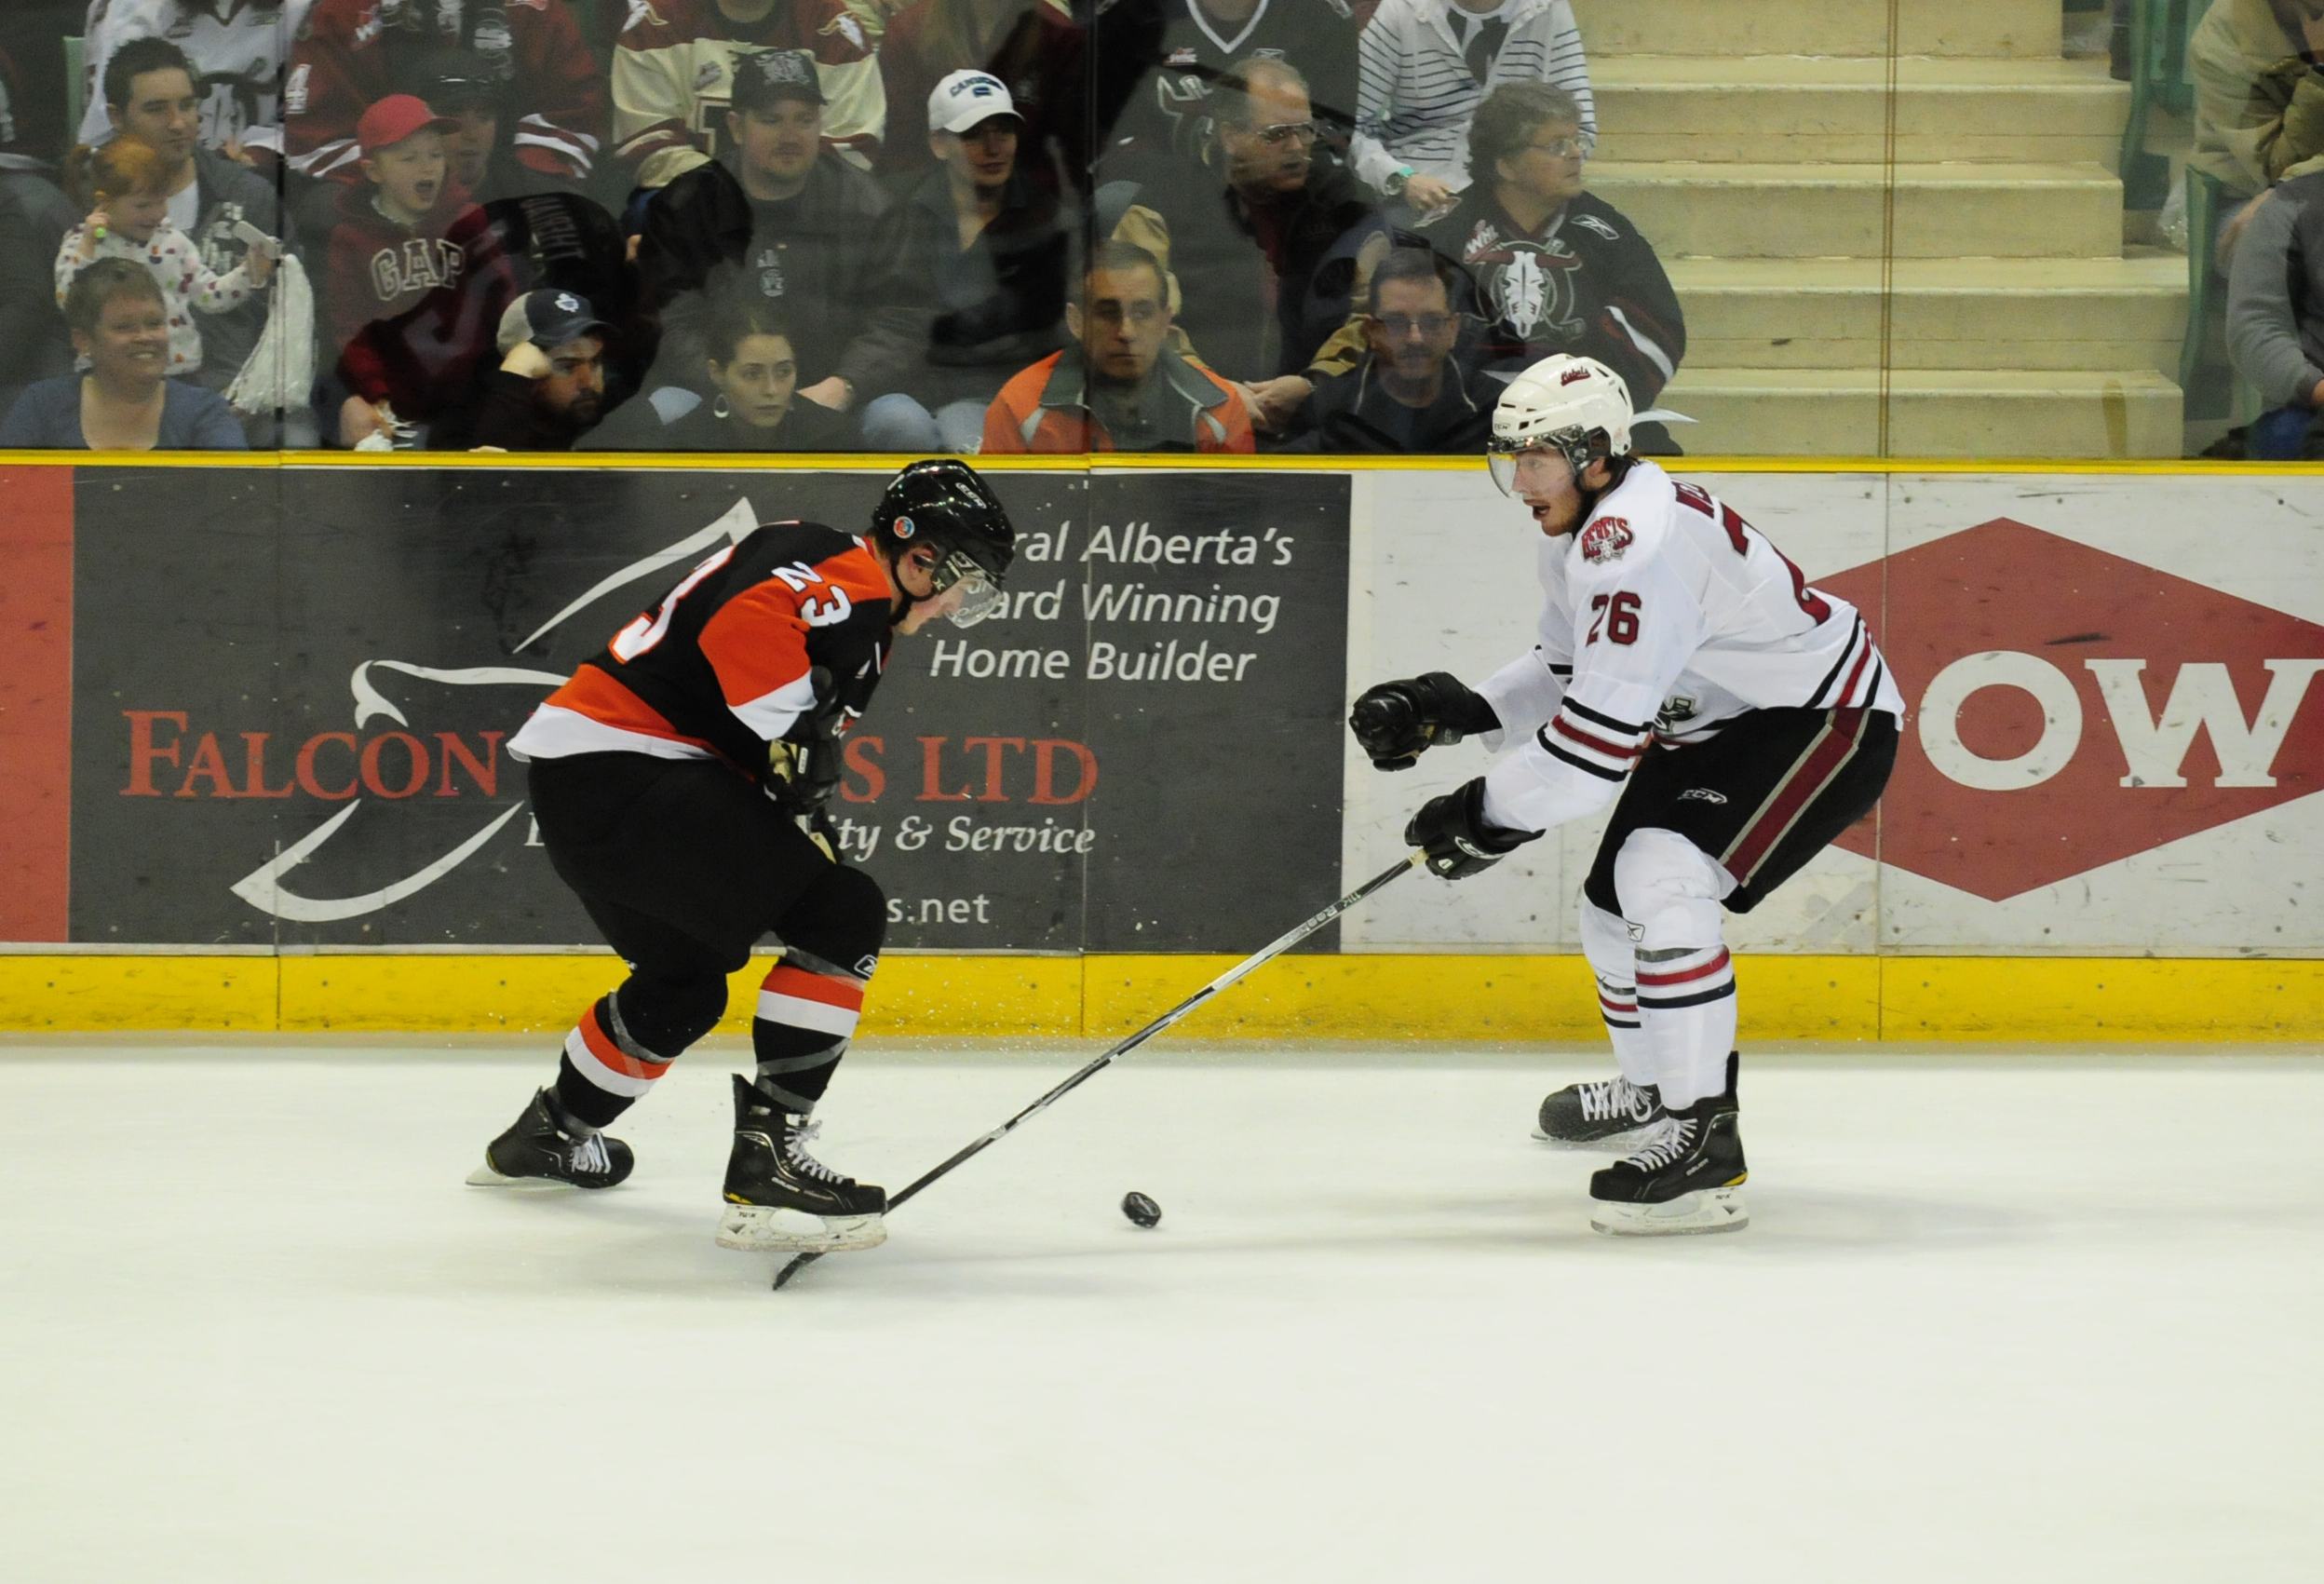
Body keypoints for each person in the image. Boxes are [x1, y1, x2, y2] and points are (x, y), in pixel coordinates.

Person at [1350, 354, 1900, 1235]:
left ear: (1597, 454)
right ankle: (1654, 1091)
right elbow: (1569, 670)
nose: (1520, 482)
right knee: (1611, 909)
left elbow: (1595, 749)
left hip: (1823, 720)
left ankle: (1703, 1142)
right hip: (1714, 722)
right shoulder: (1585, 529)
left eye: (1536, 459)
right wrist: (1462, 710)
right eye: (1510, 460)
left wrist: (1483, 816)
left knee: (1660, 872)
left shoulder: (1635, 543)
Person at [470, 460, 1018, 1260]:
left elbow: (744, 676)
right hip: (634, 771)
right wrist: (793, 726)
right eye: (959, 578)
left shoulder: (802, 541)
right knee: (843, 912)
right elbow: (742, 630)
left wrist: (792, 767)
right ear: (917, 551)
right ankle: (769, 1159)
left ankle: (549, 1133)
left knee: (684, 981)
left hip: (578, 785)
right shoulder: (861, 592)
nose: (955, 603)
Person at [632, 48, 901, 422]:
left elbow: (901, 316)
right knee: (662, 413)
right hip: (718, 391)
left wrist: (847, 383)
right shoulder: (687, 205)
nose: (790, 136)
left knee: (902, 422)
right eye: (772, 120)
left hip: (838, 395)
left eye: (804, 120)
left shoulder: (870, 207)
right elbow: (670, 321)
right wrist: (733, 384)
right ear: (736, 127)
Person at [1128, 54, 1388, 433]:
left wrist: (1314, 384)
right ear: (1231, 136)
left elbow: (1375, 310)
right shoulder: (1162, 202)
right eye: (1277, 134)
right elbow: (1137, 320)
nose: (1297, 146)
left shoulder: (1341, 200)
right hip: (1191, 418)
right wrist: (1215, 394)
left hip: (1320, 417)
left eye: (1305, 129)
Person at [1419, 83, 1684, 450]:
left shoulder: (1605, 233)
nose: (1576, 154)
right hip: (1469, 420)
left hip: (1587, 420)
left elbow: (1657, 328)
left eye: (1578, 141)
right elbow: (1409, 333)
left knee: (1656, 456)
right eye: (1558, 145)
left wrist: (1570, 396)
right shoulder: (1445, 234)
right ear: (1506, 165)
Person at [857, 71, 1074, 452]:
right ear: (939, 144)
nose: (994, 149)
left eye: (1003, 132)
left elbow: (1048, 334)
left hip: (996, 392)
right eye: (974, 134)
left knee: (965, 440)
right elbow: (881, 317)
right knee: (896, 423)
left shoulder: (1046, 219)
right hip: (904, 386)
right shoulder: (898, 210)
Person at [92, 35, 290, 418]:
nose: (179, 123)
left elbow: (288, 313)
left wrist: (259, 389)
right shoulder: (90, 204)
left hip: (237, 398)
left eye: (187, 105)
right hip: (120, 402)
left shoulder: (249, 196)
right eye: (156, 109)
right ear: (117, 118)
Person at [324, 93, 519, 448]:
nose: (427, 168)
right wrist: (377, 393)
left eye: (435, 155)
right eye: (409, 158)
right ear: (373, 171)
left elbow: (503, 309)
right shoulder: (351, 238)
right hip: (395, 402)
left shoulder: (470, 222)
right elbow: (350, 330)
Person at [283, 0, 607, 192]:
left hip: (508, 183)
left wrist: (514, 185)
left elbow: (571, 106)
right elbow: (318, 136)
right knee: (324, 210)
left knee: (562, 217)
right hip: (384, 198)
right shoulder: (345, 12)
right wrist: (405, 183)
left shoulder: (533, 9)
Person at [981, 238, 1254, 452]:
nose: (1126, 331)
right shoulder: (1019, 407)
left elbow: (1236, 518)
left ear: (1165, 322)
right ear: (1076, 322)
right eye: (1108, 313)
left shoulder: (1219, 409)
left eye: (1142, 313)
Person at [54, 133, 274, 385]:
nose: (156, 214)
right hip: (108, 374)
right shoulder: (82, 243)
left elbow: (211, 297)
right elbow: (67, 302)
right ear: (104, 202)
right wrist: (87, 246)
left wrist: (250, 271)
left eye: (162, 202)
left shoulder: (173, 242)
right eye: (143, 206)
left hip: (177, 374)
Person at [1352, 0, 1594, 211]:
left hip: (1523, 190)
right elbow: (1351, 124)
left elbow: (1581, 128)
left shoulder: (1548, 9)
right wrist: (1401, 178)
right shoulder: (1401, 10)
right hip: (1421, 190)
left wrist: (1527, 180)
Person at [611, 0, 885, 178]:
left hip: (805, 217)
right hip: (685, 207)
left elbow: (851, 145)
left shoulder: (834, 30)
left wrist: (775, 194)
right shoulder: (656, 22)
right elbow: (646, 139)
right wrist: (725, 194)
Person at [1096, 0, 1363, 177]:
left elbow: (1334, 138)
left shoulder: (1321, 16)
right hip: (1157, 201)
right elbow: (1099, 135)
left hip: (1283, 202)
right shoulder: (1131, 16)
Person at [0, 256, 246, 448]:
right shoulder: (41, 407)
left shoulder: (205, 412)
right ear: (83, 340)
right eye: (124, 327)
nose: (145, 337)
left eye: (154, 323)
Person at [1274, 246, 1489, 452]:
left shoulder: (1491, 409)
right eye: (1396, 322)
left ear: (1453, 329)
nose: (1415, 338)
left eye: (1431, 322)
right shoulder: (1328, 409)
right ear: (1371, 331)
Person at [582, 293, 852, 451]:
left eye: (783, 372)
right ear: (716, 373)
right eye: (752, 374)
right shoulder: (682, 445)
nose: (772, 390)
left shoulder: (835, 439)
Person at [872, 0, 1088, 188]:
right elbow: (900, 148)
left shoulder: (1061, 37)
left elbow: (1066, 158)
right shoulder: (907, 32)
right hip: (928, 207)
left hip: (1027, 210)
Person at [76, 0, 294, 158]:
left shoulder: (304, 8)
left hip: (272, 174)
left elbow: (313, 124)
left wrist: (259, 154)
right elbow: (104, 132)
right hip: (153, 177)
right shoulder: (130, 6)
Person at [437, 288, 612, 451]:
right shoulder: (464, 425)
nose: (588, 381)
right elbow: (490, 478)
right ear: (529, 366)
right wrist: (515, 375)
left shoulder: (603, 415)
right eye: (568, 366)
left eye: (595, 362)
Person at [2226, 171, 2324, 459]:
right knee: (2283, 438)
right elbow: (2255, 326)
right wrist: (2314, 388)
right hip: (2311, 407)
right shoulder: (2291, 207)